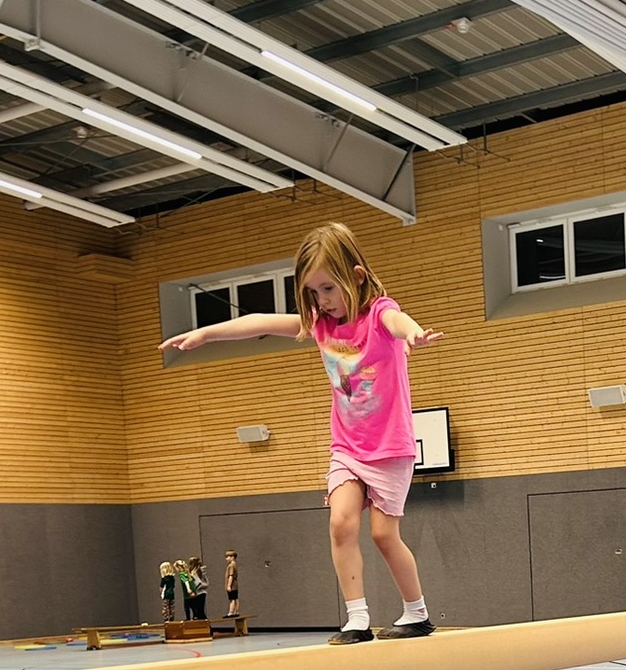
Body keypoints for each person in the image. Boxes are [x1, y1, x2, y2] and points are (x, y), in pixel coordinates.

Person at [160, 222, 443, 644]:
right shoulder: (321, 326)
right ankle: (357, 618)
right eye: (313, 292)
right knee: (341, 524)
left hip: (388, 446)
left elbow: (399, 320)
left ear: (357, 276)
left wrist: (414, 333)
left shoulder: (378, 314)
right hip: (347, 447)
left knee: (384, 535)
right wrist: (207, 333)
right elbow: (260, 322)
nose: (321, 300)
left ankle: (416, 613)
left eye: (328, 288)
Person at [185, 555, 208, 620]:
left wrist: (194, 588)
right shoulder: (199, 571)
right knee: (199, 611)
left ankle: (207, 627)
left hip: (199, 592)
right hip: (201, 592)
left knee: (200, 611)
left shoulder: (196, 572)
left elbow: (198, 582)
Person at [224, 550, 240, 616]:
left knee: (232, 599)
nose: (226, 559)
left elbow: (231, 576)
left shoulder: (231, 566)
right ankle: (236, 611)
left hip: (232, 585)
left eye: (228, 557)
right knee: (235, 598)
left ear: (232, 557)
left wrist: (229, 585)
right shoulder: (234, 564)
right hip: (235, 585)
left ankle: (231, 612)